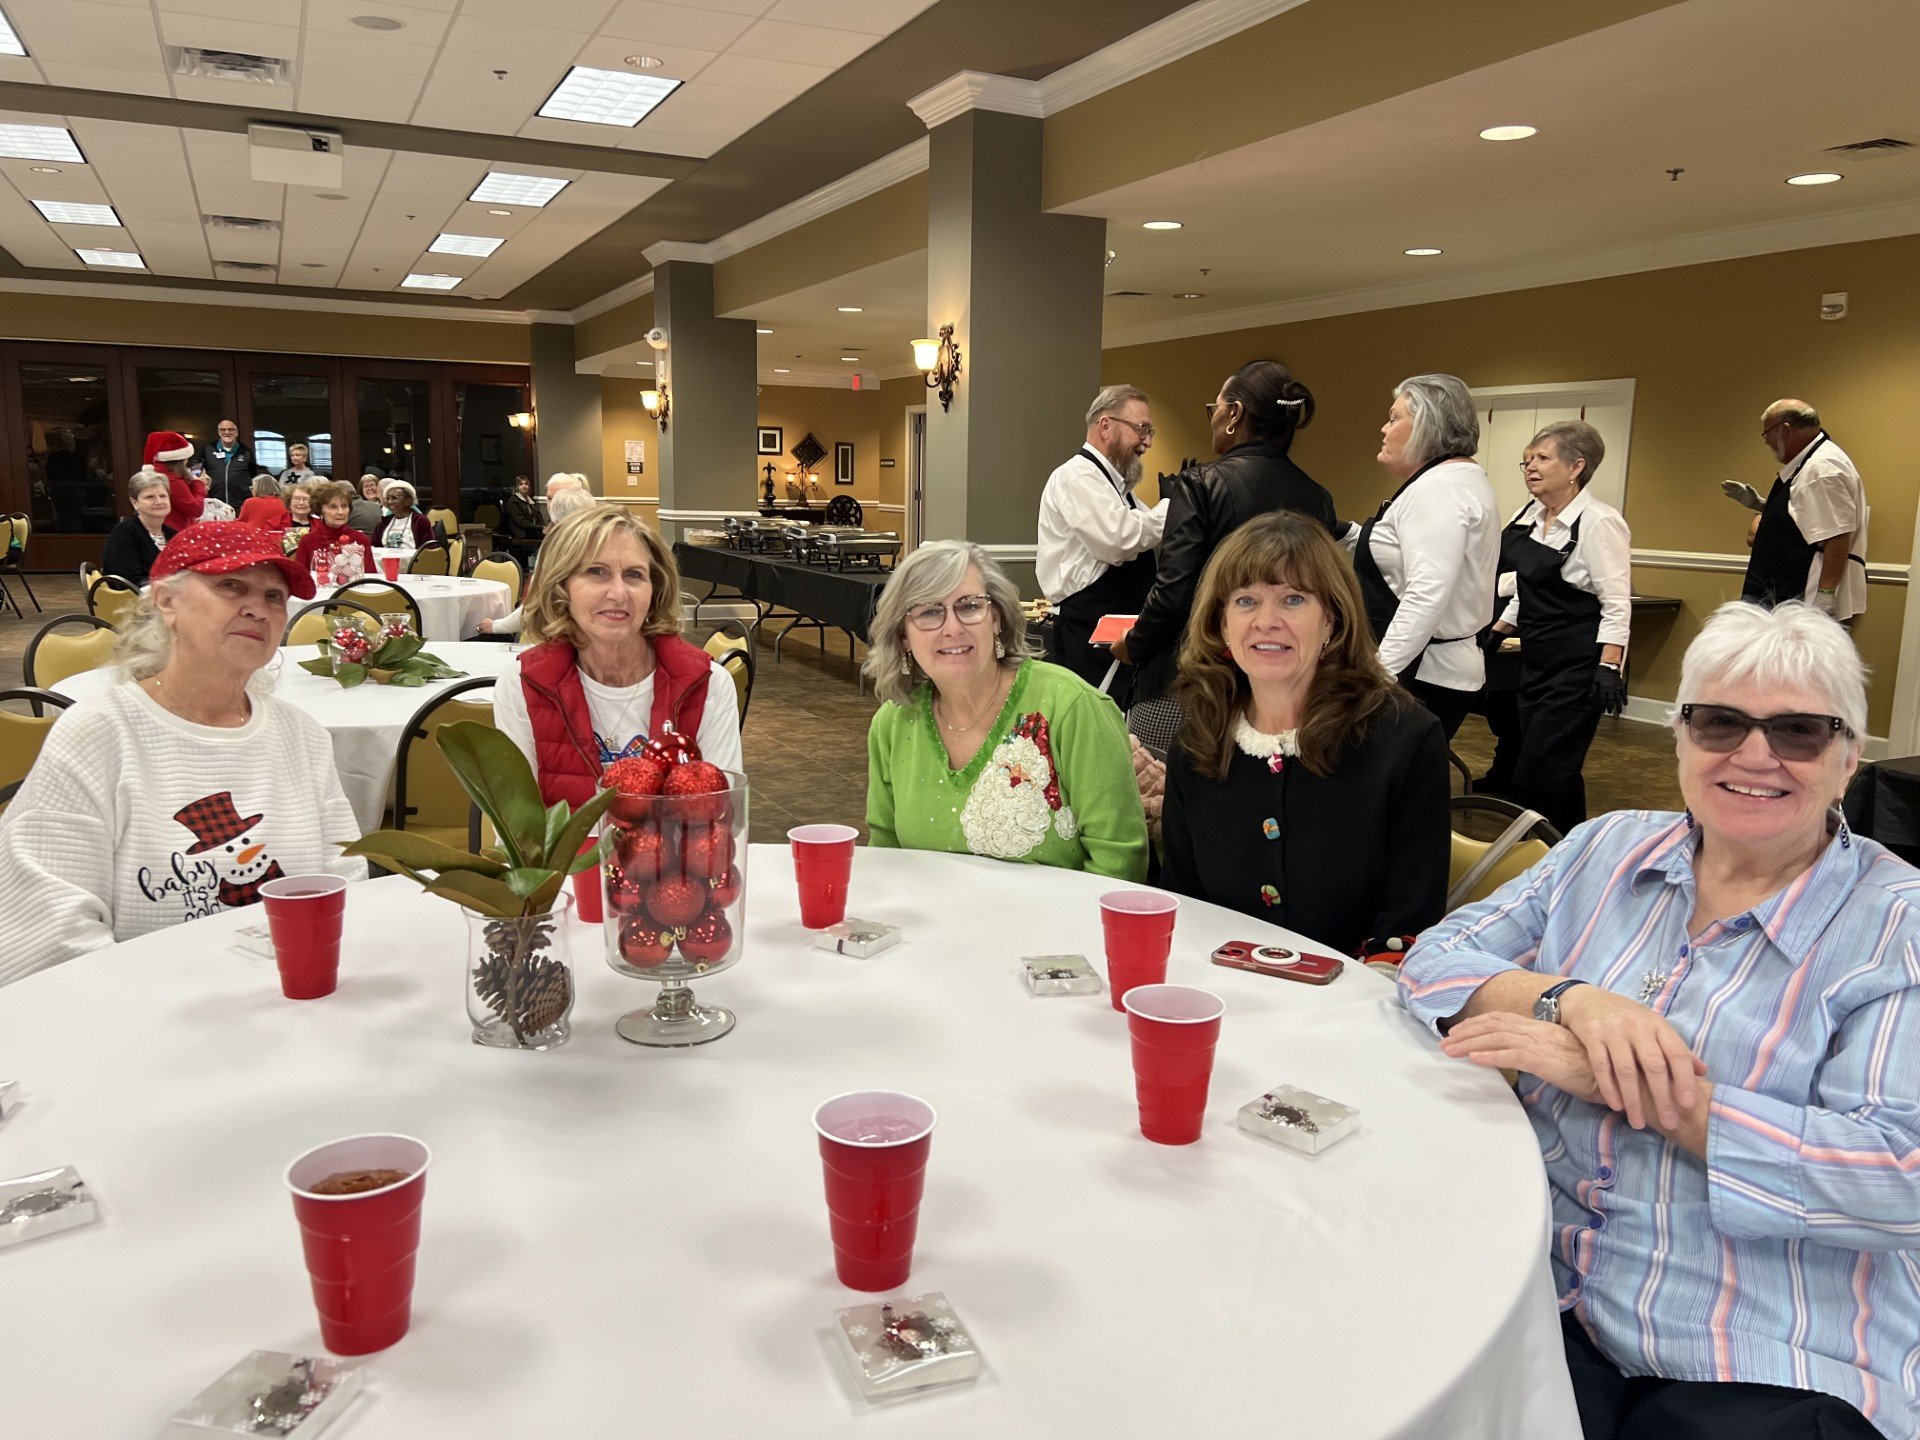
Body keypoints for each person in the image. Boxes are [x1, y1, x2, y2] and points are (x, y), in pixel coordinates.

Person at [1400, 601, 1918, 1440]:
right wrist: (1569, 999)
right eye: (1720, 723)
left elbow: (1899, 1176)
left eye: (1798, 732)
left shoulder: (1899, 925)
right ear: (1680, 736)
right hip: (1537, 1288)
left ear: (1850, 756)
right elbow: (1435, 958)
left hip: (1766, 1352)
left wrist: (1643, 1089)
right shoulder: (1606, 849)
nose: (1755, 755)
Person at [0, 524, 364, 988]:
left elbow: (345, 880)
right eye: (230, 586)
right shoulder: (100, 735)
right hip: (142, 1022)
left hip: (292, 1001)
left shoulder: (302, 736)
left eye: (274, 596)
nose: (258, 608)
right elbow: (45, 932)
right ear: (166, 602)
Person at [1157, 512, 1448, 956]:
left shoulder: (1404, 739)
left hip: (1353, 1001)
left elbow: (1409, 921)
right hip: (1221, 994)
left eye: (1293, 600)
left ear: (1332, 620)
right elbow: (1183, 901)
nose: (1266, 620)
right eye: (1246, 601)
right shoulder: (1199, 739)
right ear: (1221, 625)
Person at [864, 541, 1148, 882]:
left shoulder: (1072, 709)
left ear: (996, 619)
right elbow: (886, 855)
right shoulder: (893, 724)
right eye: (928, 612)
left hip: (1058, 928)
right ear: (903, 636)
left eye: (969, 606)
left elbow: (1119, 863)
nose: (952, 627)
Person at [1114, 361, 1334, 711]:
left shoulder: (1200, 485)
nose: (1213, 419)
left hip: (1196, 678)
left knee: (1163, 765)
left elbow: (1174, 591)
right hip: (1280, 679)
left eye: (1214, 409)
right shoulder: (1318, 498)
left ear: (1234, 414)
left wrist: (1134, 644)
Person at [495, 507, 742, 806]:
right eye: (596, 572)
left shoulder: (708, 685)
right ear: (561, 587)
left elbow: (720, 819)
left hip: (675, 855)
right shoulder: (522, 686)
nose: (618, 593)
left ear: (654, 591)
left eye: (634, 575)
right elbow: (517, 828)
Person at [1482, 421, 1632, 833]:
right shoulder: (1527, 514)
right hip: (1537, 659)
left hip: (1579, 665)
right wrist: (1499, 629)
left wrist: (1610, 666)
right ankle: (1567, 845)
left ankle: (1548, 848)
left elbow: (1616, 602)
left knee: (1544, 767)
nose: (1530, 467)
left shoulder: (1599, 523)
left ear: (1575, 466)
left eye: (1542, 458)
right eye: (1527, 459)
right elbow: (1528, 585)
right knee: (1549, 764)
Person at [1348, 373, 1498, 738]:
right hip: (1434, 669)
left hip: (1422, 674)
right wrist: (1346, 533)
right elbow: (1400, 557)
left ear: (1427, 426)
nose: (1384, 429)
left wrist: (1378, 678)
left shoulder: (1438, 490)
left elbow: (1425, 594)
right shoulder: (1457, 479)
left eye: (1394, 417)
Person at [1035, 384, 1168, 691]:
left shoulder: (1119, 489)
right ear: (1106, 426)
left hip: (1120, 632)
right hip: (1088, 630)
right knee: (1094, 722)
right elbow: (1119, 539)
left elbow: (1146, 528)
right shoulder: (1077, 477)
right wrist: (1174, 508)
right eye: (1141, 429)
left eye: (1150, 431)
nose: (1147, 442)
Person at [1724, 399, 1869, 622]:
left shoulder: (1822, 469)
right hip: (1782, 592)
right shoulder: (1810, 463)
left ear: (1785, 430)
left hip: (1800, 597)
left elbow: (1838, 536)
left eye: (1767, 435)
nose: (1767, 443)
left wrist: (1824, 599)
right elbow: (1806, 519)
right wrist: (1762, 506)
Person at [480, 485, 597, 637]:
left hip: (558, 637)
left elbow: (535, 605)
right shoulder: (600, 545)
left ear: (556, 518)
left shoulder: (556, 550)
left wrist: (496, 626)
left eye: (549, 499)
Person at [101, 468, 178, 589]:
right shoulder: (124, 533)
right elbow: (128, 581)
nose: (158, 501)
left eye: (163, 496)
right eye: (150, 497)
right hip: (134, 602)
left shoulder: (174, 535)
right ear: (134, 502)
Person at [293, 481, 376, 582]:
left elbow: (371, 578)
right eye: (333, 507)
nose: (340, 512)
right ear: (321, 511)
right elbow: (298, 579)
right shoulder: (308, 541)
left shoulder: (360, 539)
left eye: (344, 506)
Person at [144, 430, 205, 534]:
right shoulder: (172, 479)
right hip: (174, 532)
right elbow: (195, 509)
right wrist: (199, 484)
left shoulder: (159, 472)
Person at [198, 420, 254, 512]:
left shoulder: (246, 452)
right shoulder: (207, 450)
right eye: (223, 429)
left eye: (230, 429)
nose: (227, 432)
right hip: (215, 505)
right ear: (219, 432)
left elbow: (253, 475)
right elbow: (199, 473)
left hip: (240, 505)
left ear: (236, 432)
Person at [375, 481, 434, 552]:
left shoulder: (421, 521)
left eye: (394, 498)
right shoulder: (383, 523)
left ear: (408, 501)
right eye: (387, 498)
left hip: (413, 562)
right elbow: (374, 548)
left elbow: (429, 549)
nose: (390, 502)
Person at [504, 474, 544, 550]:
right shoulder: (512, 502)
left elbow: (539, 517)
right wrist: (540, 527)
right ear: (516, 487)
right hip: (521, 532)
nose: (524, 486)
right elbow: (521, 522)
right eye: (521, 484)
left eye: (526, 484)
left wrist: (544, 526)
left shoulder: (531, 501)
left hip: (532, 530)